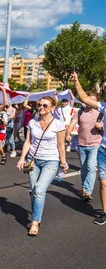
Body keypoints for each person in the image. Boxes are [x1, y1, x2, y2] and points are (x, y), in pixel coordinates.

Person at [16, 96, 68, 236]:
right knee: (34, 191)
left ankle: (35, 222)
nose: (41, 107)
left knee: (39, 190)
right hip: (33, 160)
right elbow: (28, 142)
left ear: (52, 108)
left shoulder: (58, 124)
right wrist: (22, 158)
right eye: (39, 105)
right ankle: (35, 217)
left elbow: (60, 145)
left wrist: (63, 162)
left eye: (45, 105)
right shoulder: (32, 123)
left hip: (51, 160)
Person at [71, 72, 106, 225]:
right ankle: (105, 212)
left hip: (96, 145)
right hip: (102, 149)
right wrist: (77, 81)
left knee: (94, 170)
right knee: (103, 182)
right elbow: (84, 98)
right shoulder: (104, 107)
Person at [66, 94, 104, 202]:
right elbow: (71, 124)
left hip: (95, 144)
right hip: (81, 143)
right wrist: (68, 134)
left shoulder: (101, 113)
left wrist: (100, 127)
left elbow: (104, 129)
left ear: (97, 102)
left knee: (91, 167)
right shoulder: (80, 112)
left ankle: (87, 191)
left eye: (92, 101)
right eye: (88, 100)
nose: (89, 102)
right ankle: (84, 187)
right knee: (84, 167)